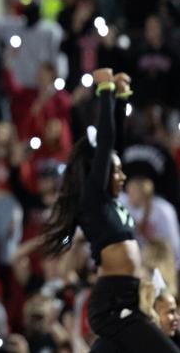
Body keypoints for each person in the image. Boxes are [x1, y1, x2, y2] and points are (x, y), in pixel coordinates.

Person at [41, 68, 180, 352]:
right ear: (100, 176)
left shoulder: (116, 205)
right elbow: (105, 145)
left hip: (129, 299)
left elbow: (115, 146)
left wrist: (120, 97)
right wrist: (104, 92)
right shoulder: (94, 201)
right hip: (112, 303)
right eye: (116, 173)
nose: (123, 176)